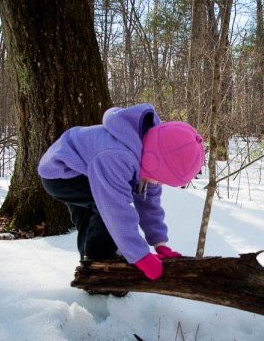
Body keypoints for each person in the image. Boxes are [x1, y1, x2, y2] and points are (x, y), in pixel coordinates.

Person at [38, 103, 205, 280]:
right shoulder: (116, 156)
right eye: (163, 180)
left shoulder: (151, 149)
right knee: (104, 212)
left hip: (88, 167)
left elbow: (149, 201)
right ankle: (100, 267)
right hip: (62, 173)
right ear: (154, 162)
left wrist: (159, 241)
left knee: (90, 224)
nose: (161, 184)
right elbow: (115, 210)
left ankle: (89, 268)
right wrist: (140, 256)